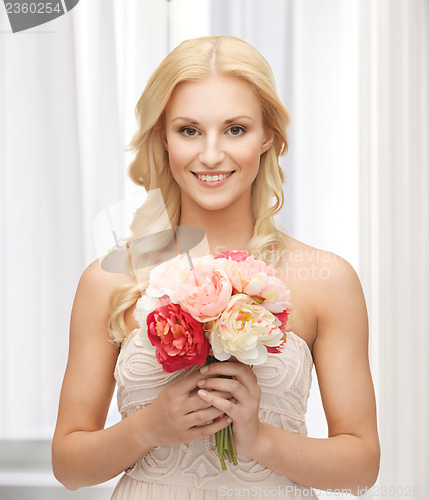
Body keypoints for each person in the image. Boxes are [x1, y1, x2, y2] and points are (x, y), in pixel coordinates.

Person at [52, 35, 380, 499]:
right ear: (163, 137)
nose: (210, 155)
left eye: (235, 129)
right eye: (189, 130)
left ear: (268, 136)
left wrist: (260, 439)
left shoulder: (327, 280)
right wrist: (148, 428)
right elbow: (69, 468)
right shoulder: (109, 279)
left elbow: (362, 470)